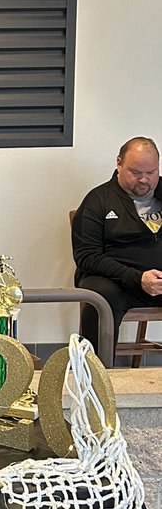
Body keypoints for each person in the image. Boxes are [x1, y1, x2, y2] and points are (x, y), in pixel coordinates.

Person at [72, 136, 162, 355]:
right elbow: (86, 256)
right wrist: (137, 278)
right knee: (100, 296)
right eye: (135, 172)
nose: (143, 180)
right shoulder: (98, 200)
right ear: (119, 163)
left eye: (151, 173)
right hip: (116, 281)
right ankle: (96, 374)